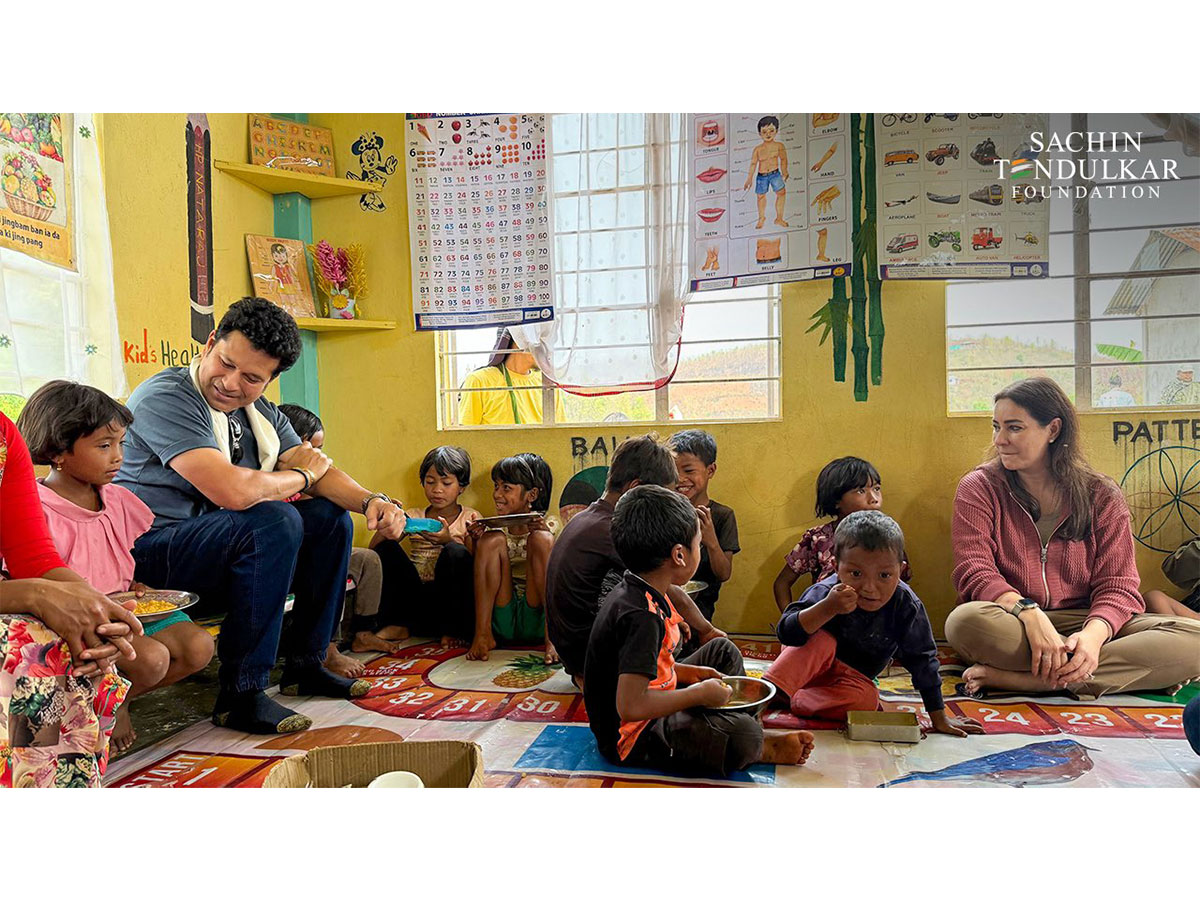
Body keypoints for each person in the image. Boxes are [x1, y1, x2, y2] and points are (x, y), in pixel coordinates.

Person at [115, 297, 407, 735]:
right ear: (210, 344)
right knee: (274, 520)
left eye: (252, 378)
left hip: (218, 548)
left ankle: (306, 664)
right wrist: (302, 477)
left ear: (271, 380)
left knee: (329, 517)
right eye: (225, 363)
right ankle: (242, 694)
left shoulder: (261, 415)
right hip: (152, 556)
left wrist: (372, 502)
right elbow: (233, 491)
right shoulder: (167, 398)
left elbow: (319, 471)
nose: (230, 383)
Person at [946, 376, 1200, 699]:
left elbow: (1119, 585)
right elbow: (975, 571)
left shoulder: (1101, 495)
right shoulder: (979, 488)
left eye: (1014, 428)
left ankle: (1032, 680)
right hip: (1013, 621)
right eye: (996, 427)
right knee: (964, 623)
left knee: (1195, 640)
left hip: (1088, 619)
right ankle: (1114, 674)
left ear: (1053, 429)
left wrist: (1093, 637)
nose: (1000, 440)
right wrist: (1029, 614)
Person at [19, 381, 214, 755]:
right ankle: (112, 704)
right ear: (58, 451)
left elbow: (113, 559)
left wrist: (137, 584)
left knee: (198, 646)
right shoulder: (36, 509)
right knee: (152, 660)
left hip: (124, 605)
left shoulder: (118, 500)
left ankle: (112, 699)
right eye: (104, 446)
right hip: (77, 619)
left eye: (121, 444)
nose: (118, 457)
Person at [583, 485, 813, 777]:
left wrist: (689, 674)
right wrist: (697, 694)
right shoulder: (640, 616)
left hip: (651, 697)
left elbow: (646, 666)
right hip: (633, 735)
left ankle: (735, 727)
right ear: (679, 555)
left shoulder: (642, 588)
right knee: (743, 736)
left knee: (722, 650)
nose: (699, 549)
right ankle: (757, 744)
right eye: (699, 544)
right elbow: (632, 706)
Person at [1, 412, 140, 788]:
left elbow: (34, 557)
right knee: (21, 640)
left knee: (61, 644)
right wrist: (35, 593)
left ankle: (44, 780)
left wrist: (97, 611)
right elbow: (35, 584)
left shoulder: (3, 436)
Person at [765, 511, 982, 736]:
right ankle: (769, 693)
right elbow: (786, 633)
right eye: (856, 573)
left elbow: (923, 661)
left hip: (851, 678)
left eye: (884, 575)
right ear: (836, 567)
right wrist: (826, 608)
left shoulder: (906, 605)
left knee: (866, 700)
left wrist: (939, 718)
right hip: (802, 666)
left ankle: (797, 699)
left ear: (901, 570)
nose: (869, 587)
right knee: (822, 641)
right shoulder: (826, 593)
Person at [546, 435, 726, 684]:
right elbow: (668, 585)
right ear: (635, 490)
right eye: (664, 498)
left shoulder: (585, 518)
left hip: (576, 657)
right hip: (595, 663)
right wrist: (706, 630)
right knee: (719, 653)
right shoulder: (614, 530)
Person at [278, 403, 406, 674]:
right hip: (289, 556)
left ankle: (362, 632)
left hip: (309, 549)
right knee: (328, 564)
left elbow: (332, 493)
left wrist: (378, 504)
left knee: (367, 558)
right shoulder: (274, 477)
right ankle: (327, 648)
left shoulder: (315, 477)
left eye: (320, 448)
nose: (319, 456)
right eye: (312, 448)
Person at [371, 445, 480, 648]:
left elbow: (478, 566)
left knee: (455, 552)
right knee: (387, 548)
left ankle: (452, 630)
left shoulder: (470, 518)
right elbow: (374, 550)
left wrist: (448, 540)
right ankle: (400, 625)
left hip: (447, 603)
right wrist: (390, 519)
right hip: (416, 600)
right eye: (430, 482)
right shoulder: (414, 515)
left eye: (446, 483)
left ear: (462, 487)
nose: (437, 489)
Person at [773, 456, 911, 611]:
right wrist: (792, 620)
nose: (874, 499)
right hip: (827, 621)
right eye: (861, 491)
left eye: (876, 489)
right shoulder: (818, 539)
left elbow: (901, 587)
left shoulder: (887, 537)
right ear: (836, 500)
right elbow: (782, 583)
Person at [466, 455, 555, 661]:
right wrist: (475, 539)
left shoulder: (551, 524)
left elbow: (562, 571)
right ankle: (483, 635)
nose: (497, 494)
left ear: (532, 495)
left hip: (537, 617)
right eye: (496, 486)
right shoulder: (495, 529)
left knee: (541, 539)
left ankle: (553, 638)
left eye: (506, 488)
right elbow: (479, 572)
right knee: (491, 539)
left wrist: (547, 534)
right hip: (503, 618)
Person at [668, 430, 739, 623]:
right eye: (674, 471)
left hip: (702, 611)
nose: (680, 479)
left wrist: (711, 541)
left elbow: (723, 574)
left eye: (689, 471)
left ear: (711, 470)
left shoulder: (723, 516)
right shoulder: (665, 512)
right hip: (665, 607)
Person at [457, 328, 564, 426]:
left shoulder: (549, 385)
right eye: (542, 344)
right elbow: (466, 436)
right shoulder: (479, 381)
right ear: (520, 342)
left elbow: (561, 435)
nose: (548, 352)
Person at [742, 115, 788, 229]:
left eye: (771, 131)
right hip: (762, 176)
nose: (768, 134)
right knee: (760, 197)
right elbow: (753, 164)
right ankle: (761, 218)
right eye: (764, 132)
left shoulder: (779, 146)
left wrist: (785, 171)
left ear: (776, 131)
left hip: (775, 174)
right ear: (760, 133)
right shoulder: (758, 149)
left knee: (781, 193)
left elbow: (783, 159)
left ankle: (779, 218)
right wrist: (749, 179)